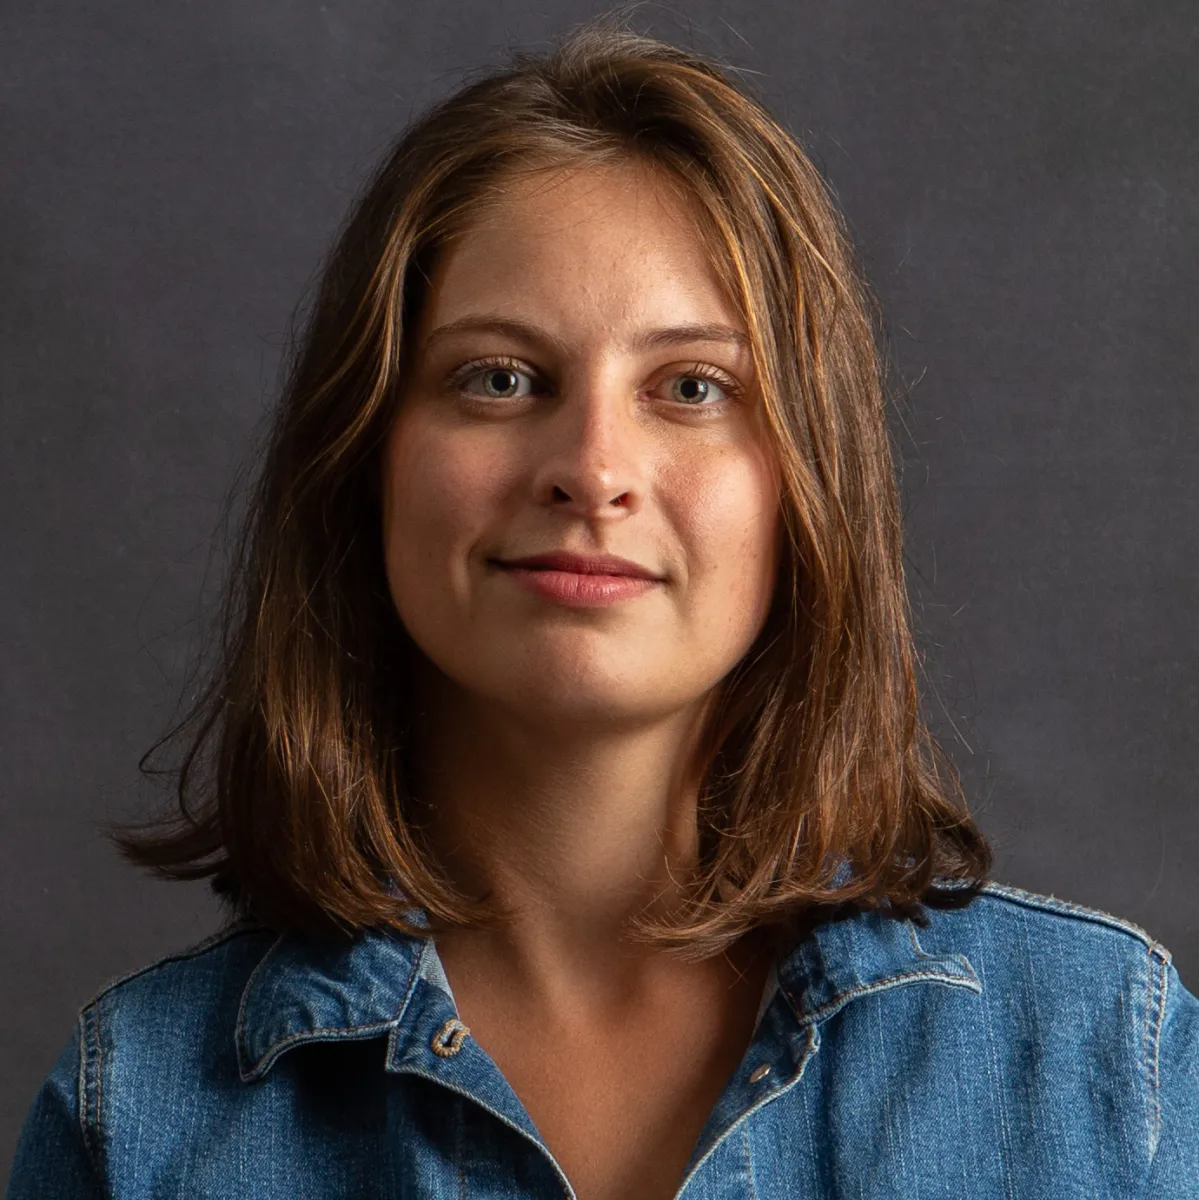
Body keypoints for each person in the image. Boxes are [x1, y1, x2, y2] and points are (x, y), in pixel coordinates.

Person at [8, 19, 1197, 1200]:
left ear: (807, 483)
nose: (592, 466)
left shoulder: (1106, 1077)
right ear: (364, 457)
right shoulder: (144, 1117)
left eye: (690, 387)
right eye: (499, 377)